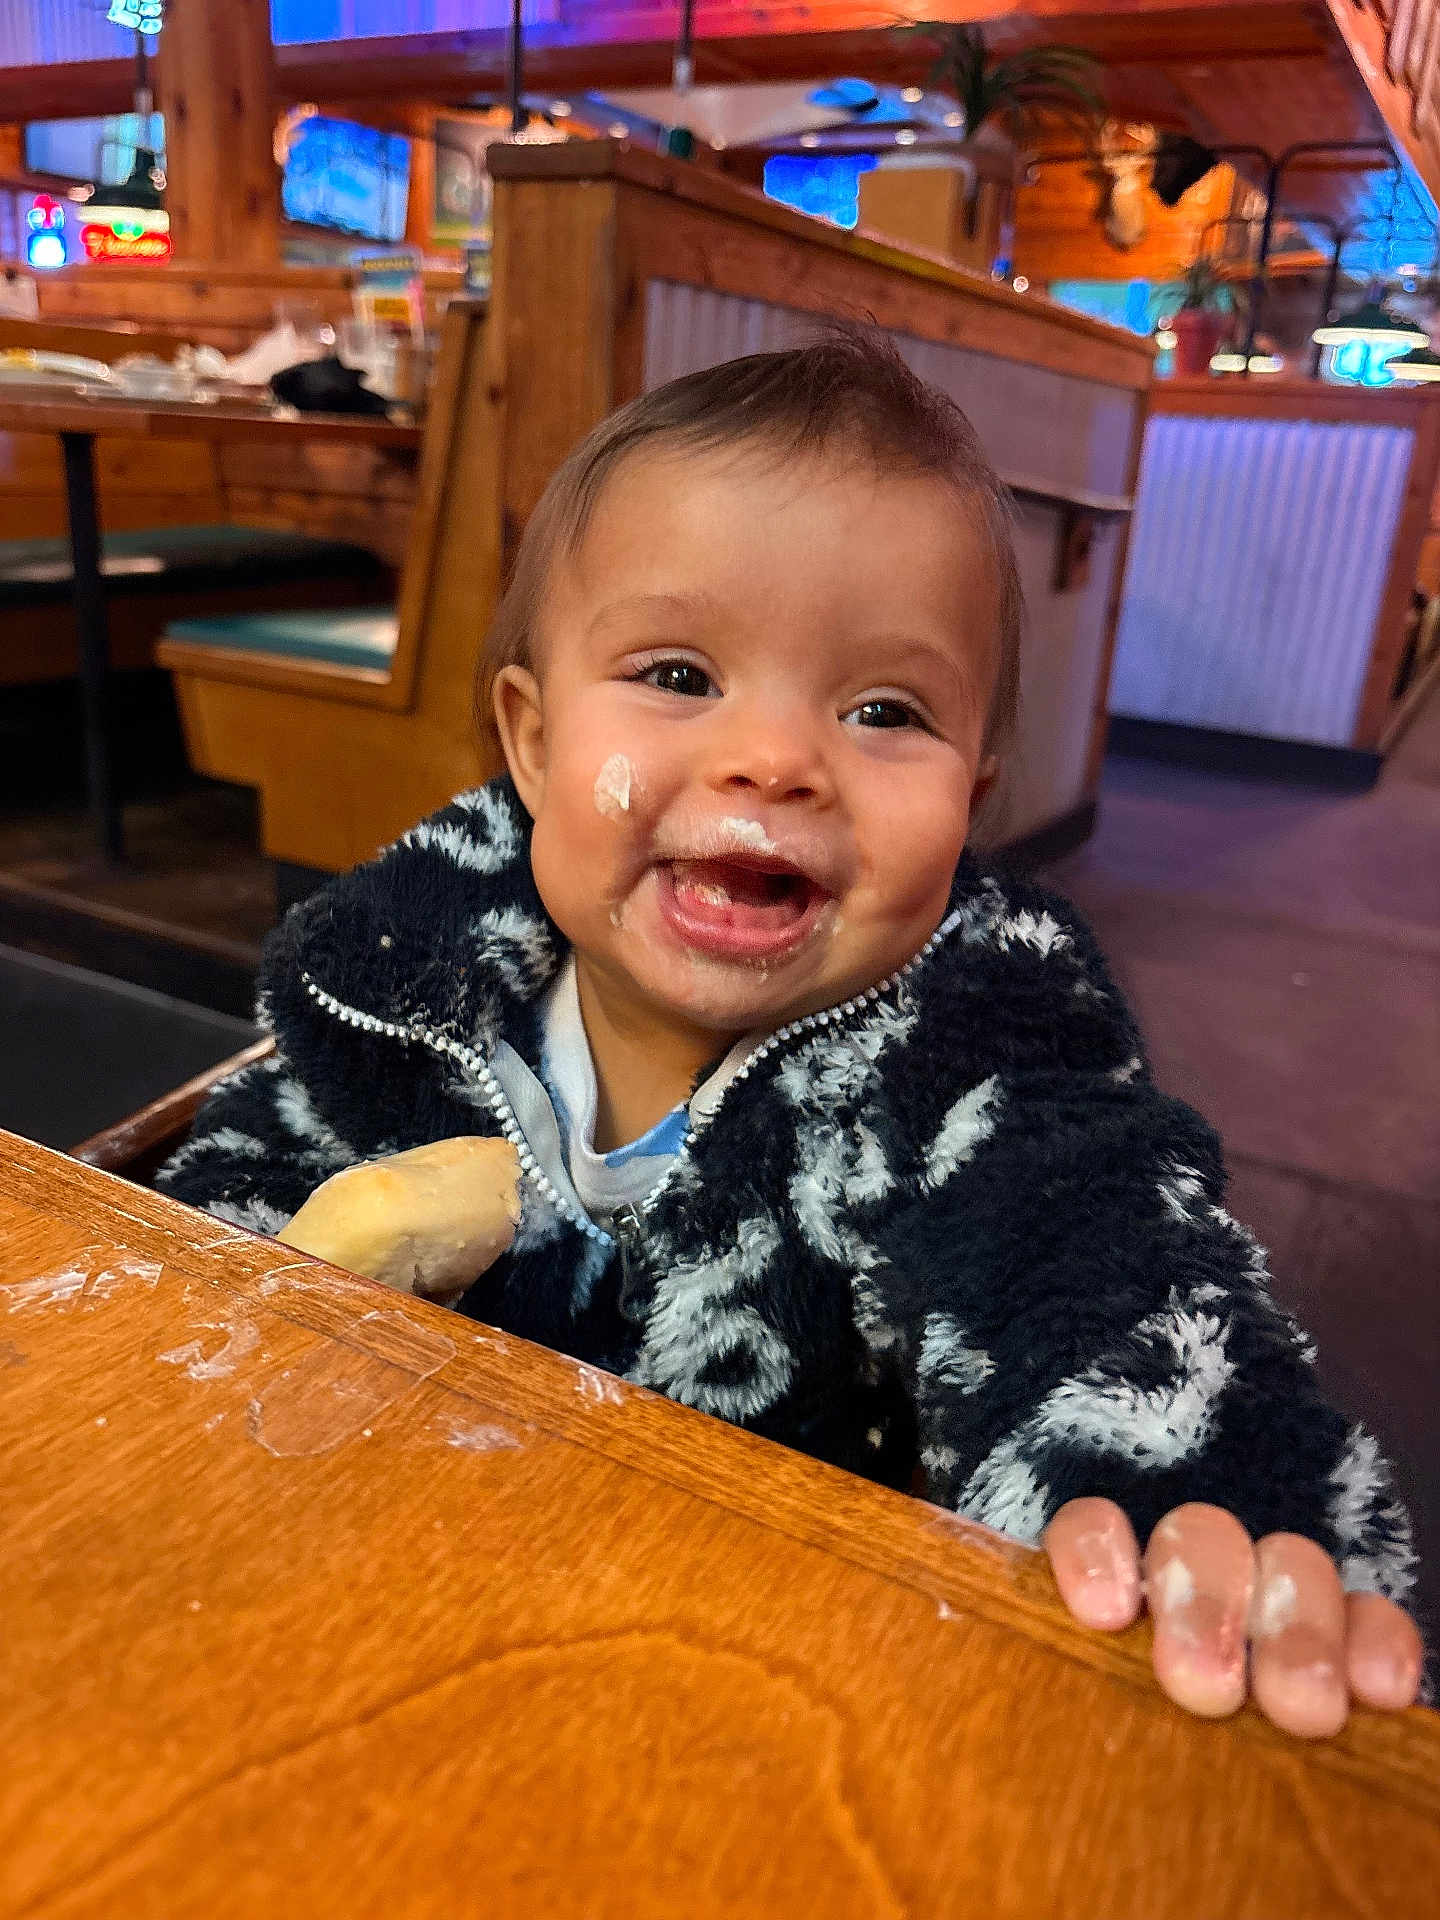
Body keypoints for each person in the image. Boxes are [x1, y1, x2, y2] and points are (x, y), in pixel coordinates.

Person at [156, 330, 1423, 1735]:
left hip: (761, 1692)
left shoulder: (979, 1042)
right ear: (531, 741)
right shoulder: (408, 972)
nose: (775, 760)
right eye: (680, 676)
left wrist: (1188, 1493)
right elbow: (236, 1199)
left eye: (884, 710)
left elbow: (1097, 1259)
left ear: (971, 797)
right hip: (397, 1611)